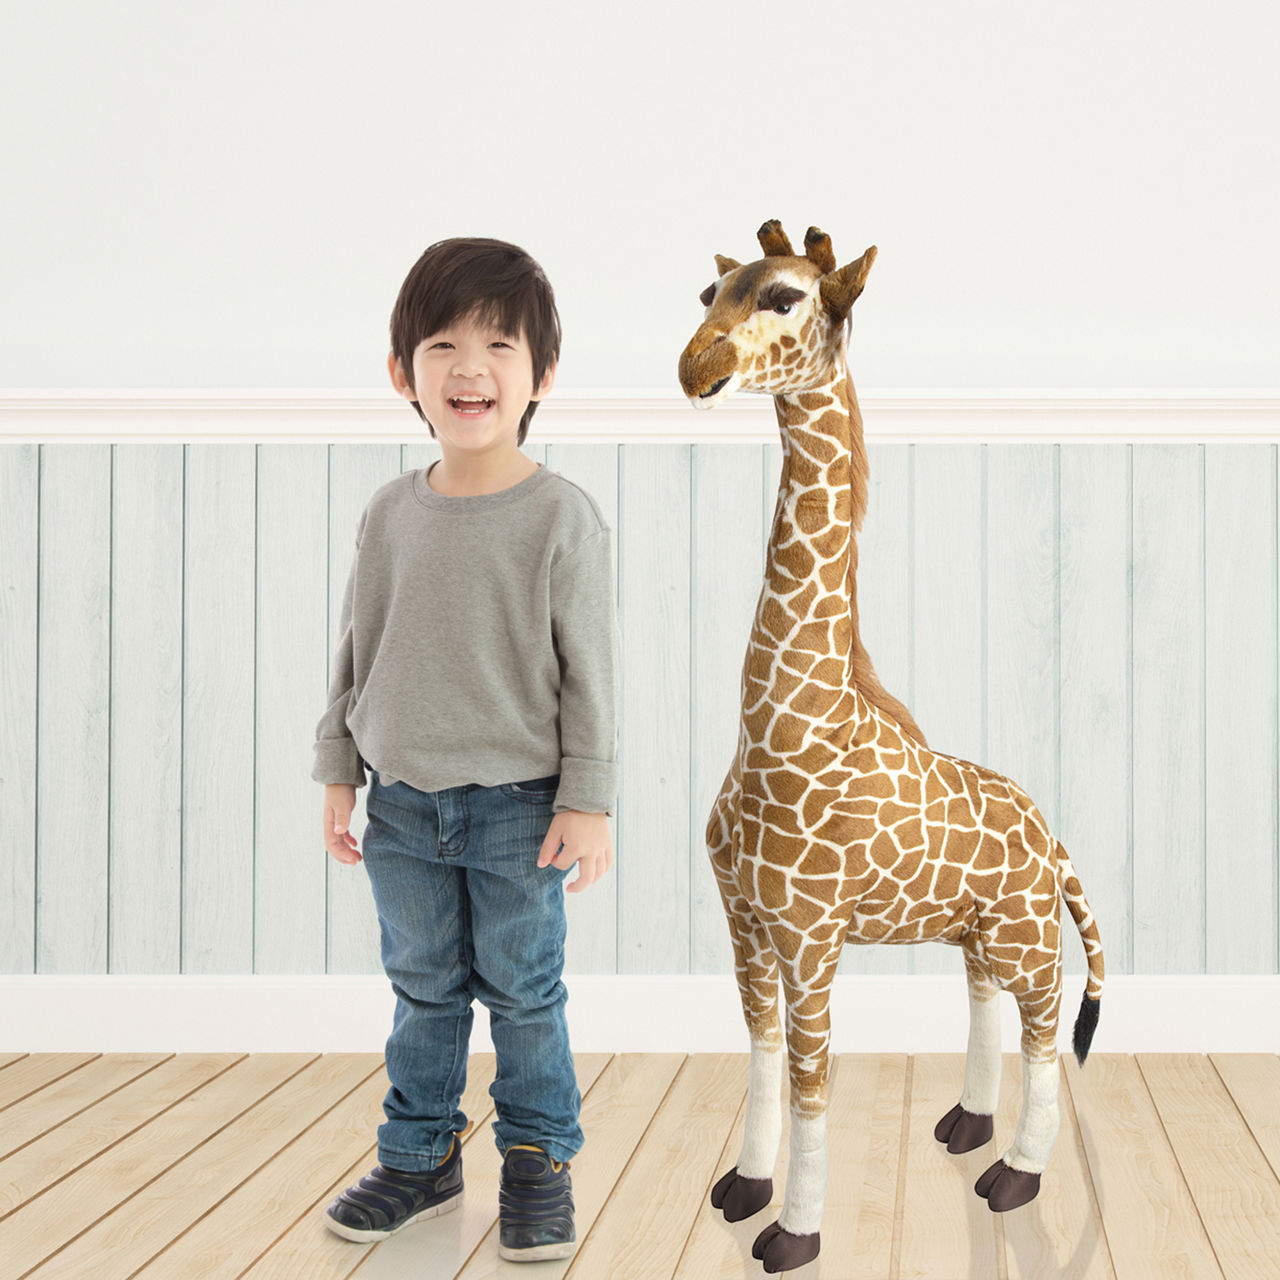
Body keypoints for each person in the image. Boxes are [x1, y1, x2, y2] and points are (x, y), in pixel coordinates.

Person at [312, 237, 617, 1263]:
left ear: (542, 374)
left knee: (525, 994)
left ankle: (536, 1161)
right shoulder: (389, 512)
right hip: (401, 807)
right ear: (403, 372)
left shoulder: (560, 517)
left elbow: (590, 672)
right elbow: (356, 648)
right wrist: (338, 768)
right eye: (441, 344)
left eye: (498, 345)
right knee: (423, 990)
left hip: (519, 810)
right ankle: (418, 1158)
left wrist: (589, 797)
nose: (468, 366)